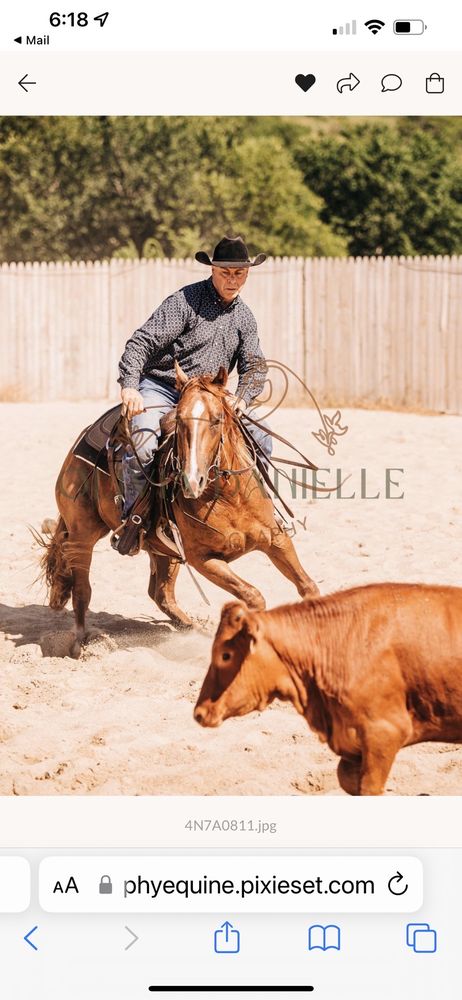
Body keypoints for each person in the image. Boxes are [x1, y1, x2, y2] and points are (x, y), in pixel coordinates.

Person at [115, 235, 273, 553]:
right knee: (144, 443)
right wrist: (130, 384)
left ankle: (262, 513)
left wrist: (243, 397)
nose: (232, 279)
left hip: (211, 397)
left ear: (247, 273)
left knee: (262, 436)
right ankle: (133, 521)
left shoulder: (244, 318)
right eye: (225, 272)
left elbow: (255, 366)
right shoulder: (184, 302)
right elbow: (141, 342)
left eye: (239, 272)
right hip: (163, 388)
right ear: (212, 270)